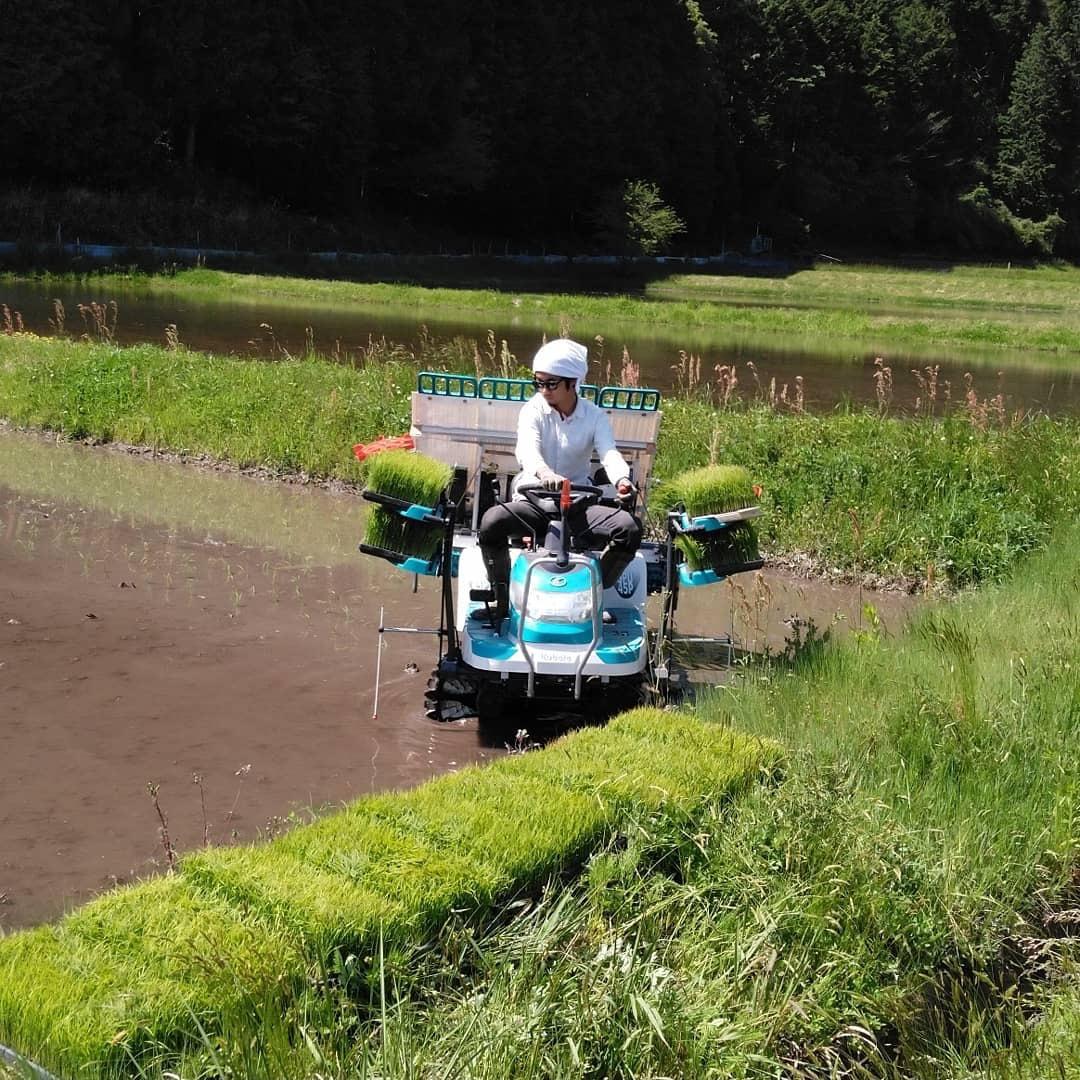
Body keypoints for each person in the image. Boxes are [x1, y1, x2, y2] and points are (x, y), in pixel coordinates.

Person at [473, 338, 641, 623]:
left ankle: (595, 593)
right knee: (491, 522)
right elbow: (527, 449)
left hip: (577, 504)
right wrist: (544, 473)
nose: (543, 390)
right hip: (534, 502)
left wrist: (622, 479)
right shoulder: (533, 411)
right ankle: (501, 598)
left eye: (551, 383)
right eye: (538, 383)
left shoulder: (594, 416)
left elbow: (609, 452)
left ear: (573, 383)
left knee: (628, 529)